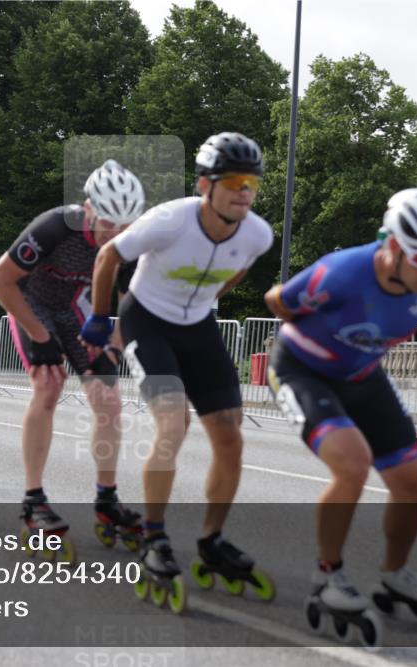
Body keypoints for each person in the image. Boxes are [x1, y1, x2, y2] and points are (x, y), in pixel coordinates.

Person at [83, 133, 275, 612]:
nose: (243, 193)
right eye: (233, 182)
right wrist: (103, 318)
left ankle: (211, 541)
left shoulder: (258, 234)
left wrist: (208, 299)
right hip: (147, 321)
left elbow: (241, 268)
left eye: (250, 183)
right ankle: (153, 538)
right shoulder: (169, 220)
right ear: (204, 184)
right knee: (174, 423)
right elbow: (109, 256)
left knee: (230, 434)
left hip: (198, 327)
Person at [263, 188, 417, 620]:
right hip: (301, 369)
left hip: (361, 376)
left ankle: (395, 572)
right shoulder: (339, 273)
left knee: (411, 482)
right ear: (392, 245)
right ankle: (326, 574)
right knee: (352, 466)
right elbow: (276, 301)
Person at [0, 159, 145, 557]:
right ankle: (33, 498)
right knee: (48, 384)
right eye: (108, 221)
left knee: (108, 398)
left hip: (75, 309)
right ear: (88, 206)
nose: (116, 232)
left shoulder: (129, 243)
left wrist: (112, 346)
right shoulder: (56, 226)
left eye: (125, 224)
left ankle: (106, 498)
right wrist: (40, 338)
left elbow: (130, 306)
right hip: (29, 303)